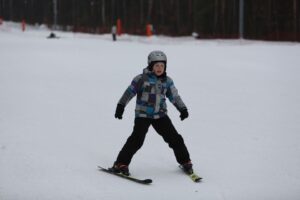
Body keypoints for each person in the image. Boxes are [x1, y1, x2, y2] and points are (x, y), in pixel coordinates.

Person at [112, 50, 193, 176]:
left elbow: (174, 97)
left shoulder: (167, 81)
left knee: (175, 138)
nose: (160, 68)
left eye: (162, 65)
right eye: (156, 65)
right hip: (143, 115)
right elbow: (129, 93)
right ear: (150, 65)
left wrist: (182, 109)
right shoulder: (141, 79)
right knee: (137, 139)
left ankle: (185, 161)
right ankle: (121, 163)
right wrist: (121, 106)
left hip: (160, 115)